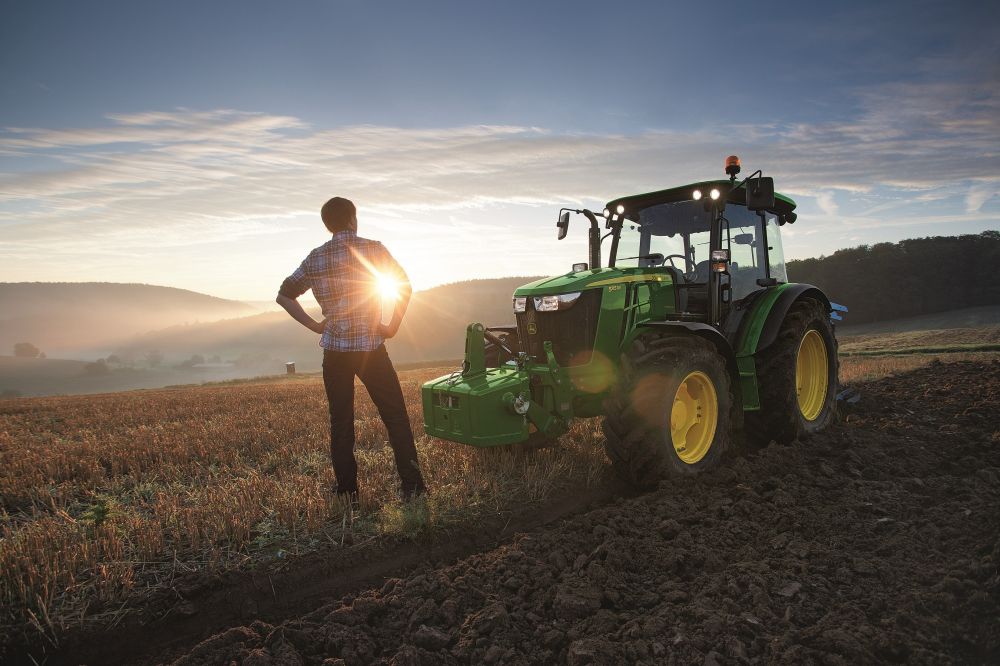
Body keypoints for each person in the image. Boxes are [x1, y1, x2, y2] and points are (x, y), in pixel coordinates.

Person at [276, 197, 426, 508]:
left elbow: (284, 295)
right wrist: (392, 325)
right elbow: (404, 285)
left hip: (335, 353)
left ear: (327, 224)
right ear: (353, 219)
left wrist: (316, 326)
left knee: (340, 422)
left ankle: (347, 492)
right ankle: (413, 488)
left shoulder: (315, 258)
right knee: (395, 417)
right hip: (371, 349)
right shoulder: (373, 248)